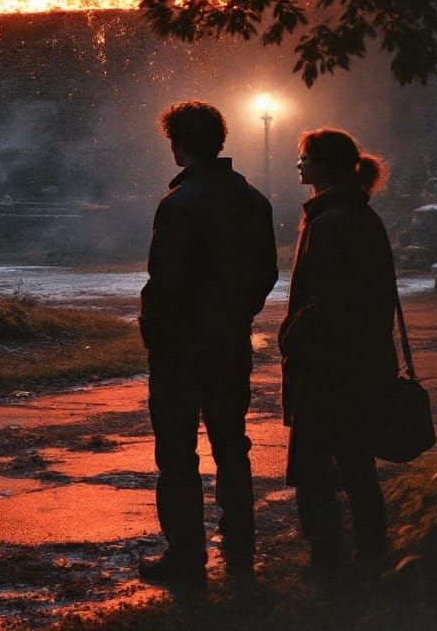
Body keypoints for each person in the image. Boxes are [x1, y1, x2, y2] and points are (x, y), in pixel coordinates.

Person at [138, 101, 277, 582]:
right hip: (229, 341)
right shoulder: (254, 200)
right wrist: (237, 314)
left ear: (176, 141)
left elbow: (165, 282)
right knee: (231, 446)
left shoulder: (179, 205)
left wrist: (154, 333)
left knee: (177, 454)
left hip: (180, 348)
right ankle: (240, 549)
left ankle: (185, 555)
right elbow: (266, 272)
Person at [280, 128, 398, 574]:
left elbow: (326, 300)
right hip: (362, 362)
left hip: (328, 368)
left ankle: (327, 560)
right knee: (356, 465)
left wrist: (293, 335)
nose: (299, 164)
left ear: (324, 165)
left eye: (305, 157)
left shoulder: (330, 222)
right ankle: (371, 554)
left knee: (313, 469)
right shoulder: (360, 215)